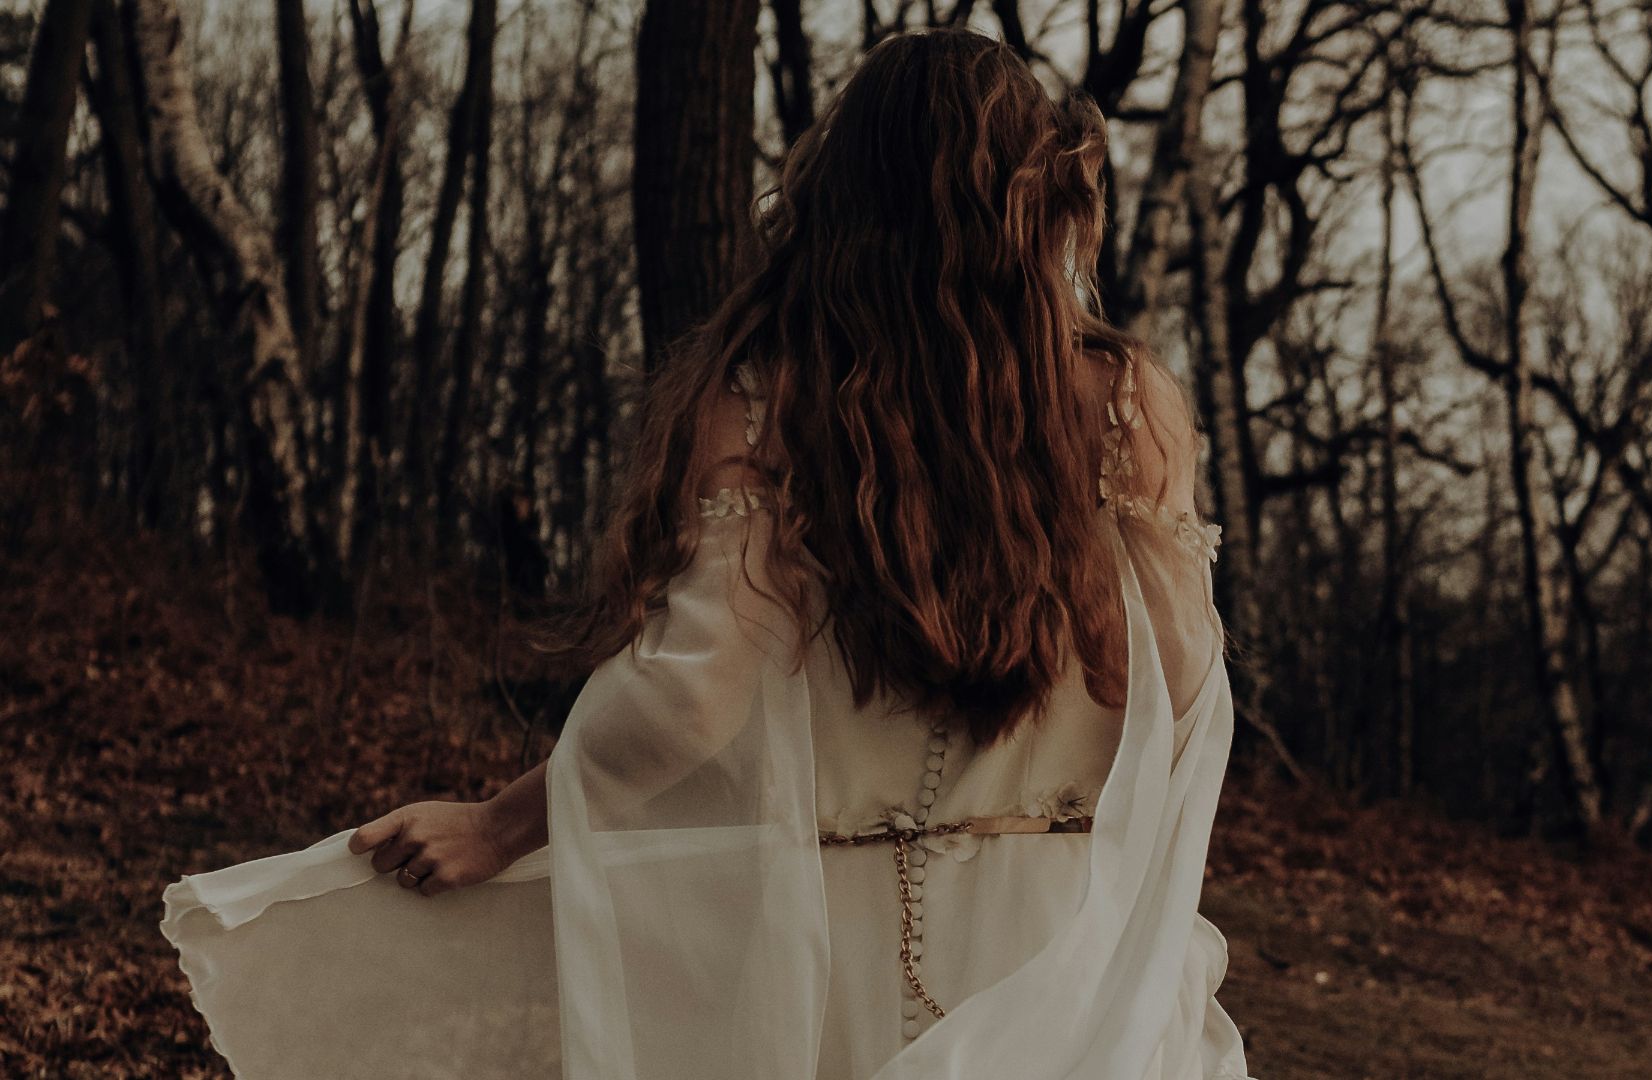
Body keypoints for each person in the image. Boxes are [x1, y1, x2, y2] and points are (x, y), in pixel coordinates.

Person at [160, 27, 1250, 1080]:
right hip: (1059, 938)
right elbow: (1171, 684)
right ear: (1033, 196)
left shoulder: (766, 401)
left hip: (838, 947)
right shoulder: (1123, 402)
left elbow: (690, 702)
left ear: (842, 197)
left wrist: (502, 825)